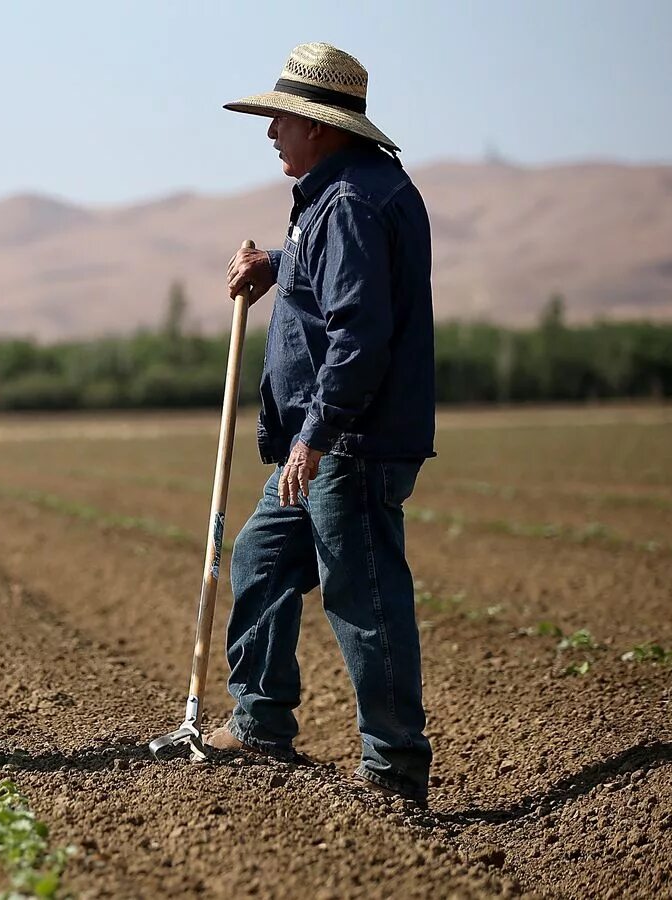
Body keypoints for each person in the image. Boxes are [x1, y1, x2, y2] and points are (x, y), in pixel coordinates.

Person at [211, 43, 436, 807]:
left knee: (364, 599)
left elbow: (359, 333)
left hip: (348, 442)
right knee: (262, 559)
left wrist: (313, 434)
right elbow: (336, 276)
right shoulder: (339, 194)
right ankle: (262, 723)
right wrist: (279, 261)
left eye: (283, 118)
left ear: (323, 127)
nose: (271, 130)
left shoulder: (350, 201)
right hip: (326, 440)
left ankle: (393, 767)